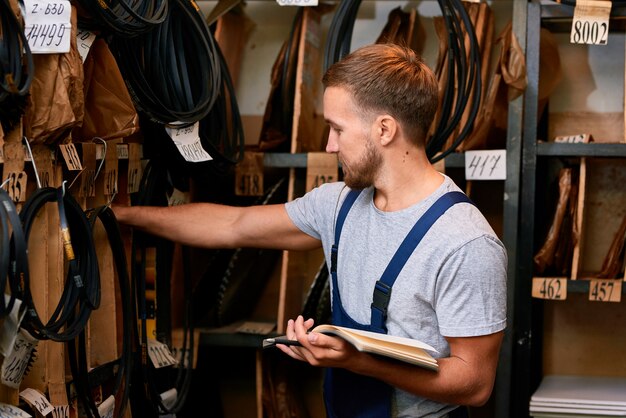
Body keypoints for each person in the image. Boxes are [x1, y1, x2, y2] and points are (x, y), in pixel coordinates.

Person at [113, 43, 507, 418]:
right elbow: (234, 225)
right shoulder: (339, 203)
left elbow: (474, 384)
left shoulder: (464, 242)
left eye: (337, 129)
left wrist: (359, 361)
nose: (329, 145)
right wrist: (126, 217)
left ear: (384, 130)